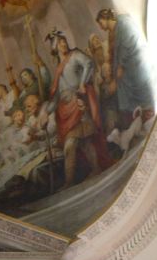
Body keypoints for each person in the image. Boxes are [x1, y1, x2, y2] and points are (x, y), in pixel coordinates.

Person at [46, 29, 112, 187]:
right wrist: (46, 113)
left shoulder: (75, 56)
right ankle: (94, 169)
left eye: (64, 41)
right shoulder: (58, 69)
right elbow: (57, 95)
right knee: (83, 143)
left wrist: (82, 83)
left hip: (78, 102)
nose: (63, 44)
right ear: (54, 48)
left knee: (75, 142)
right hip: (66, 108)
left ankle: (70, 181)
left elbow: (89, 63)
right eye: (59, 43)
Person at [96, 8, 155, 130]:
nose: (100, 27)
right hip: (125, 68)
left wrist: (121, 65)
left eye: (100, 23)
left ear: (104, 18)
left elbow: (128, 43)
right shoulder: (113, 31)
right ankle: (137, 121)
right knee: (122, 94)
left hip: (133, 64)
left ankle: (146, 116)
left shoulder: (122, 22)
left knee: (136, 91)